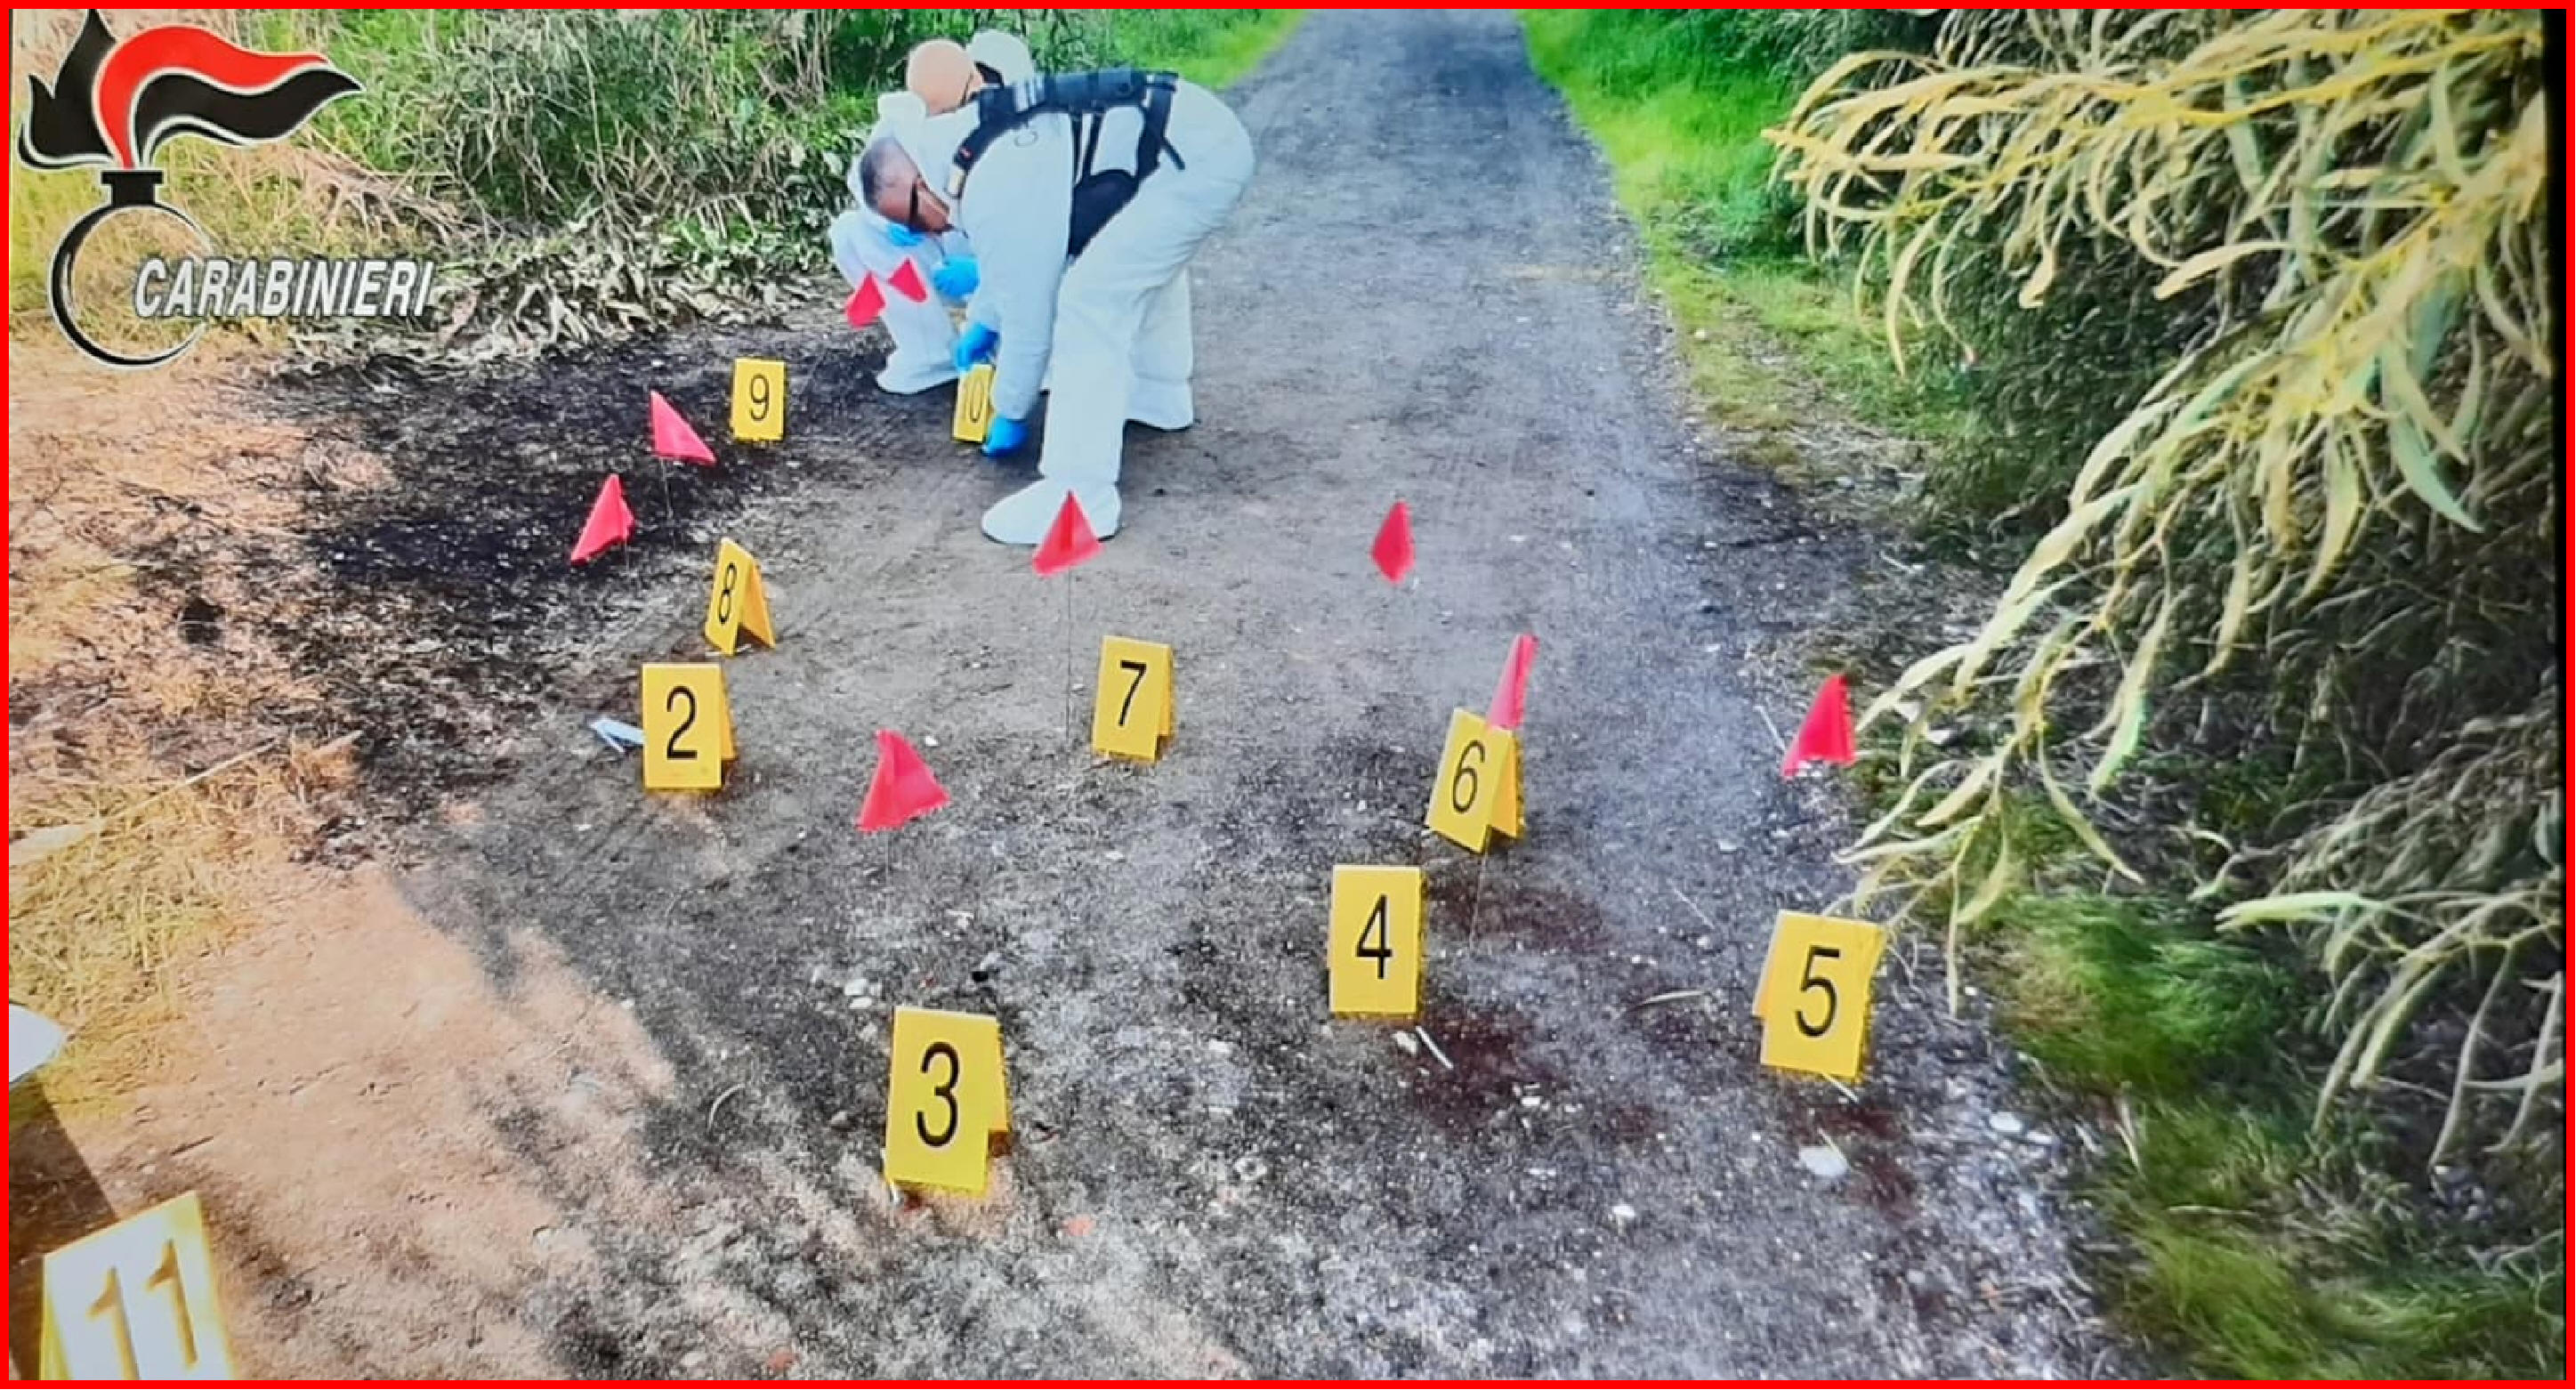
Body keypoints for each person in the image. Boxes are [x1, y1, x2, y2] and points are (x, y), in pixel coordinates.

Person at [860, 61, 1256, 545]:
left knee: (1089, 302)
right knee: (1128, 266)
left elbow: (1032, 314)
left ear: (919, 184)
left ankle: (1080, 496)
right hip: (1188, 142)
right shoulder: (976, 141)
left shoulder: (991, 175)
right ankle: (1158, 394)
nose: (927, 232)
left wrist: (1009, 409)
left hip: (1191, 157)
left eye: (914, 220)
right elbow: (1012, 263)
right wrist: (983, 319)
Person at [824, 31, 1033, 394]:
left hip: (1010, 260)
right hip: (938, 240)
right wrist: (896, 217)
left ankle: (1001, 354)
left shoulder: (1028, 131)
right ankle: (930, 355)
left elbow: (1047, 233)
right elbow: (867, 178)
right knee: (850, 232)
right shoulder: (912, 116)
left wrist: (988, 272)